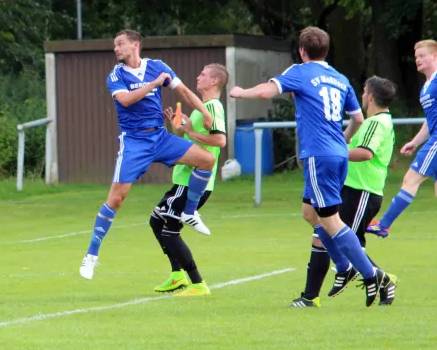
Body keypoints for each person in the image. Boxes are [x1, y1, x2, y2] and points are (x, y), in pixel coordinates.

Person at [229, 26, 391, 307]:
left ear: (302, 51)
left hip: (319, 156)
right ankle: (344, 266)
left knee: (331, 220)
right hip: (335, 155)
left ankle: (369, 273)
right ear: (326, 50)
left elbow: (267, 91)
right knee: (310, 213)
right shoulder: (340, 79)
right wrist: (342, 142)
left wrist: (241, 92)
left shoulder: (299, 72)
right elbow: (357, 119)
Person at [80, 30, 216, 280]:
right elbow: (126, 100)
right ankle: (91, 256)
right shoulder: (116, 75)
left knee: (207, 160)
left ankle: (190, 211)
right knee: (117, 198)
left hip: (161, 138)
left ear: (135, 45)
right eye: (114, 45)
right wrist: (154, 84)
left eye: (119, 43)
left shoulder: (158, 66)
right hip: (134, 142)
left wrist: (204, 112)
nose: (116, 49)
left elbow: (184, 91)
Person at [290, 76, 398, 307]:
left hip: (363, 190)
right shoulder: (373, 121)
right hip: (350, 188)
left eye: (363, 91)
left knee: (345, 242)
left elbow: (366, 152)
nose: (360, 95)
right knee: (325, 235)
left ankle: (383, 280)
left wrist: (331, 153)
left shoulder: (376, 122)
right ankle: (311, 297)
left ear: (370, 96)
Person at [150, 63, 227, 297]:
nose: (198, 76)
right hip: (183, 180)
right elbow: (190, 140)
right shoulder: (201, 108)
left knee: (169, 232)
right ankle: (177, 275)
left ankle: (197, 284)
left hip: (194, 184)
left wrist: (191, 131)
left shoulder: (212, 107)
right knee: (156, 222)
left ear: (214, 81)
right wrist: (175, 126)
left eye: (203, 74)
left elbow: (219, 141)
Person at [368, 39, 437, 238]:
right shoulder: (427, 86)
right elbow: (430, 120)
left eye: (422, 55)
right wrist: (415, 141)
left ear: (435, 56)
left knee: (410, 179)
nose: (418, 60)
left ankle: (384, 225)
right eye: (416, 57)